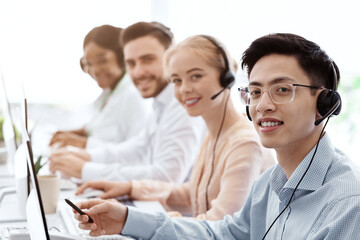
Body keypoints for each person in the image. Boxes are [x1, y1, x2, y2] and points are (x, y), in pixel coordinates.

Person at [74, 33, 360, 239]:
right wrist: (126, 219)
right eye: (256, 91)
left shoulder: (347, 205)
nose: (262, 105)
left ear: (325, 104)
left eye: (282, 89)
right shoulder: (268, 185)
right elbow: (223, 232)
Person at [75, 35, 274, 220]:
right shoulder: (216, 134)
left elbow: (220, 225)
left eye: (195, 76)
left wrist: (134, 220)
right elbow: (195, 193)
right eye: (177, 80)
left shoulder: (244, 144)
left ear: (226, 78)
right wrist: (130, 188)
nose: (184, 89)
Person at [49, 22, 205, 182]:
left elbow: (166, 177)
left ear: (172, 58)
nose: (138, 72)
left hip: (167, 205)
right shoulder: (160, 104)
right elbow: (137, 149)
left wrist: (85, 169)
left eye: (148, 59)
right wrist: (85, 155)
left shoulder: (183, 105)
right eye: (131, 63)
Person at [49, 24, 149, 149]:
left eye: (102, 60)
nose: (94, 71)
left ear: (123, 57)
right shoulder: (109, 93)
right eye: (89, 63)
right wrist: (76, 134)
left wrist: (83, 143)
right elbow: (102, 129)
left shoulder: (133, 96)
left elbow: (137, 152)